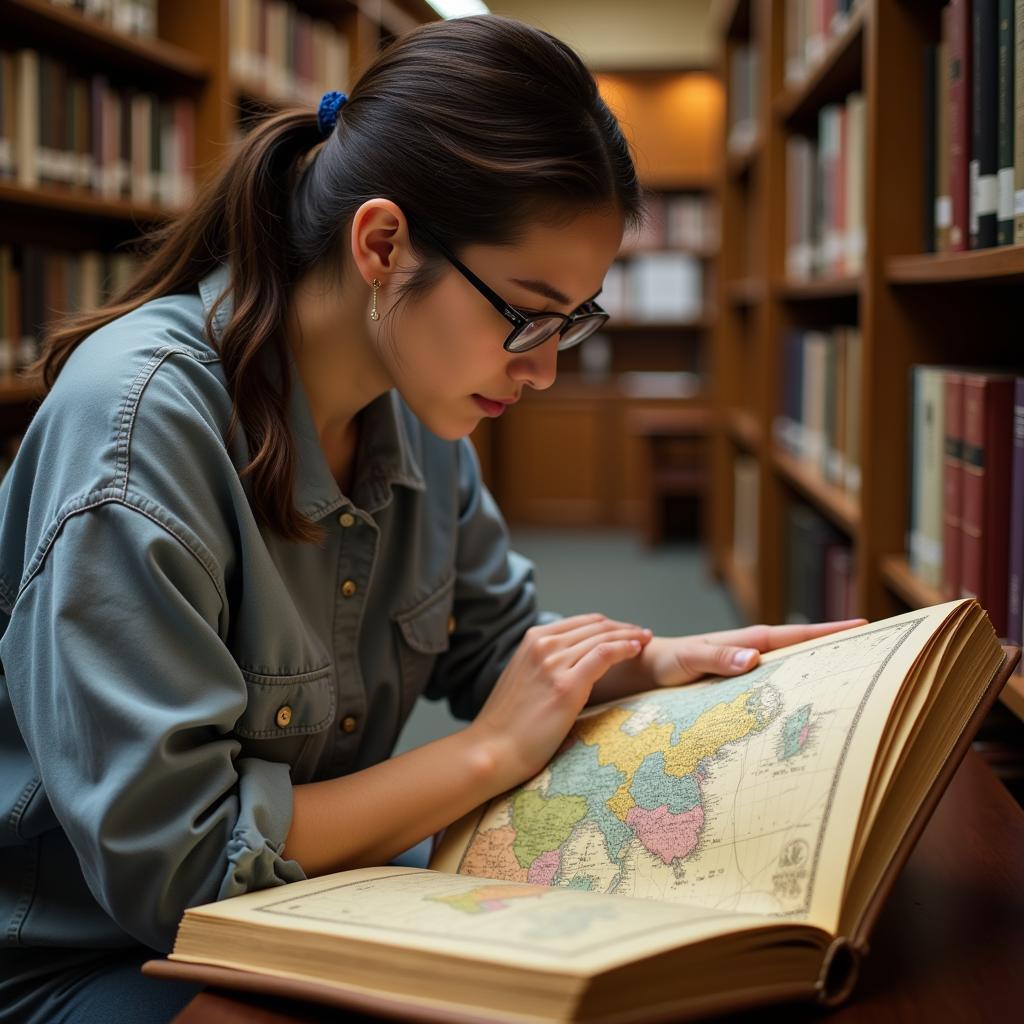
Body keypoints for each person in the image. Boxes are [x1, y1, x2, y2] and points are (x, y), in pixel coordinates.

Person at [0, 14, 862, 1023]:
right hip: (92, 948)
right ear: (381, 245)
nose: (543, 367)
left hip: (303, 904)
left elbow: (493, 647)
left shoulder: (418, 405)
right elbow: (181, 874)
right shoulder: (140, 431)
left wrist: (657, 665)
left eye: (574, 320)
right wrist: (485, 754)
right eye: (527, 314)